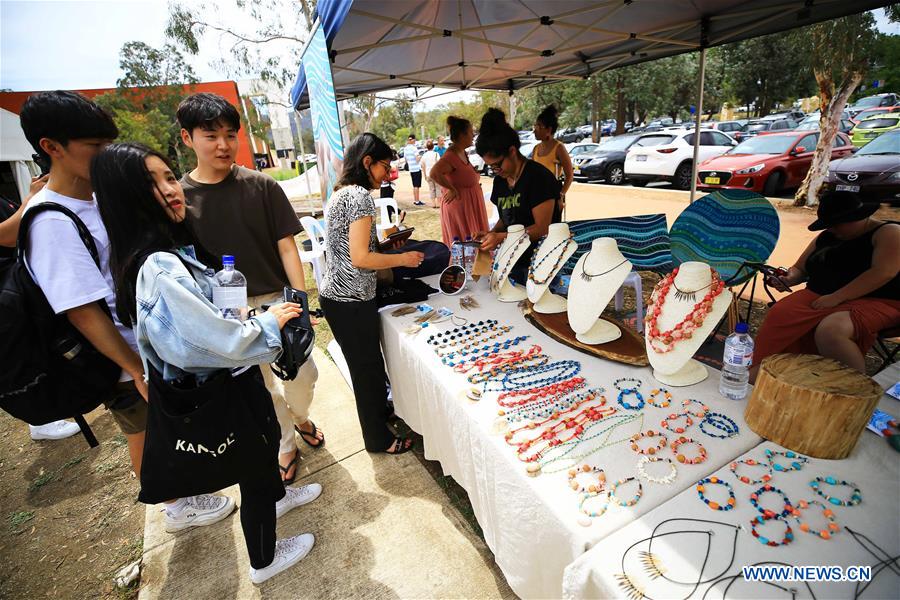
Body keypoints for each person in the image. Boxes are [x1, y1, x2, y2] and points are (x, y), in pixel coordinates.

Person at [92, 142, 321, 584]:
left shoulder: (170, 251)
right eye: (152, 183)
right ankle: (264, 559)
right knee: (253, 466)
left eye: (168, 176)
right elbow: (209, 342)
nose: (170, 189)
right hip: (221, 387)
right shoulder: (158, 267)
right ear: (125, 198)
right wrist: (267, 323)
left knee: (265, 444)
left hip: (236, 381)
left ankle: (278, 497)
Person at [19, 91, 233, 530]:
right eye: (94, 146)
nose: (104, 155)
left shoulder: (95, 199)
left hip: (148, 344)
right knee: (144, 432)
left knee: (166, 428)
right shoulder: (51, 220)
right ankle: (174, 507)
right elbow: (81, 310)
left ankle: (183, 491)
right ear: (51, 147)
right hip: (122, 357)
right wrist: (134, 368)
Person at [176, 93, 322, 486]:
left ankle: (302, 416)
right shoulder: (180, 199)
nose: (223, 145)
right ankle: (286, 444)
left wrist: (301, 303)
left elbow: (287, 247)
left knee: (303, 374)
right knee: (261, 387)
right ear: (188, 138)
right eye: (211, 136)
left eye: (230, 135)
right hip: (228, 314)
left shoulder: (262, 185)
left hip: (277, 300)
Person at [319, 132, 422, 454]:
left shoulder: (342, 193)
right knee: (366, 373)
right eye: (385, 167)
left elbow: (353, 249)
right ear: (367, 162)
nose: (387, 175)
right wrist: (403, 259)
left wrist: (387, 247)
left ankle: (381, 413)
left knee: (370, 368)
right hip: (349, 301)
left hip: (342, 299)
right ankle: (378, 439)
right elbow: (361, 258)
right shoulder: (360, 196)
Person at [752, 191, 900, 379]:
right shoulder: (828, 235)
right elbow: (800, 268)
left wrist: (838, 297)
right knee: (781, 312)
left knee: (832, 330)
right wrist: (789, 278)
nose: (830, 229)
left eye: (835, 224)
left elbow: (884, 272)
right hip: (822, 295)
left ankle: (854, 387)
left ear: (858, 217)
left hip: (877, 300)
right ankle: (767, 373)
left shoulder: (889, 232)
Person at [0, 174, 80, 441]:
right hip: (8, 295)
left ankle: (48, 411)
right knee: (25, 354)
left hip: (16, 287)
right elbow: (6, 236)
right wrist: (32, 198)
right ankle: (43, 419)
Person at [473, 108, 561, 280]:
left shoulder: (538, 177)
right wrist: (491, 234)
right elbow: (507, 217)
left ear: (512, 151)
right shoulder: (500, 181)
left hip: (542, 263)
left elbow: (542, 228)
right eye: (491, 167)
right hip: (512, 261)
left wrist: (501, 237)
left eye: (497, 165)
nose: (496, 171)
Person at [430, 116, 489, 246]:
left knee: (475, 245)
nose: (473, 135)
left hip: (470, 205)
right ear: (462, 135)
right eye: (470, 132)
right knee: (465, 247)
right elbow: (434, 173)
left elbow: (459, 174)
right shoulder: (450, 155)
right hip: (461, 208)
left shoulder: (462, 152)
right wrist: (451, 189)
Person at [532, 105, 573, 216]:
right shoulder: (536, 149)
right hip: (537, 192)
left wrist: (561, 195)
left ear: (549, 130)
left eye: (539, 127)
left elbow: (569, 175)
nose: (534, 130)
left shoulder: (559, 148)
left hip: (553, 192)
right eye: (535, 126)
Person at [419, 140, 441, 208]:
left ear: (427, 147)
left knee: (431, 189)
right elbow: (439, 164)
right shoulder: (436, 154)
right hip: (436, 174)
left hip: (428, 174)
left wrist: (425, 175)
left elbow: (423, 165)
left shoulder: (424, 155)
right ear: (433, 147)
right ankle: (438, 203)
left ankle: (433, 203)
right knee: (438, 188)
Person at [403, 134, 423, 206]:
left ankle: (416, 200)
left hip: (411, 169)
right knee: (417, 186)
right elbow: (417, 159)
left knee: (414, 185)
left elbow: (406, 159)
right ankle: (417, 201)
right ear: (414, 140)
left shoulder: (405, 149)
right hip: (416, 168)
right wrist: (420, 157)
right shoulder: (414, 148)